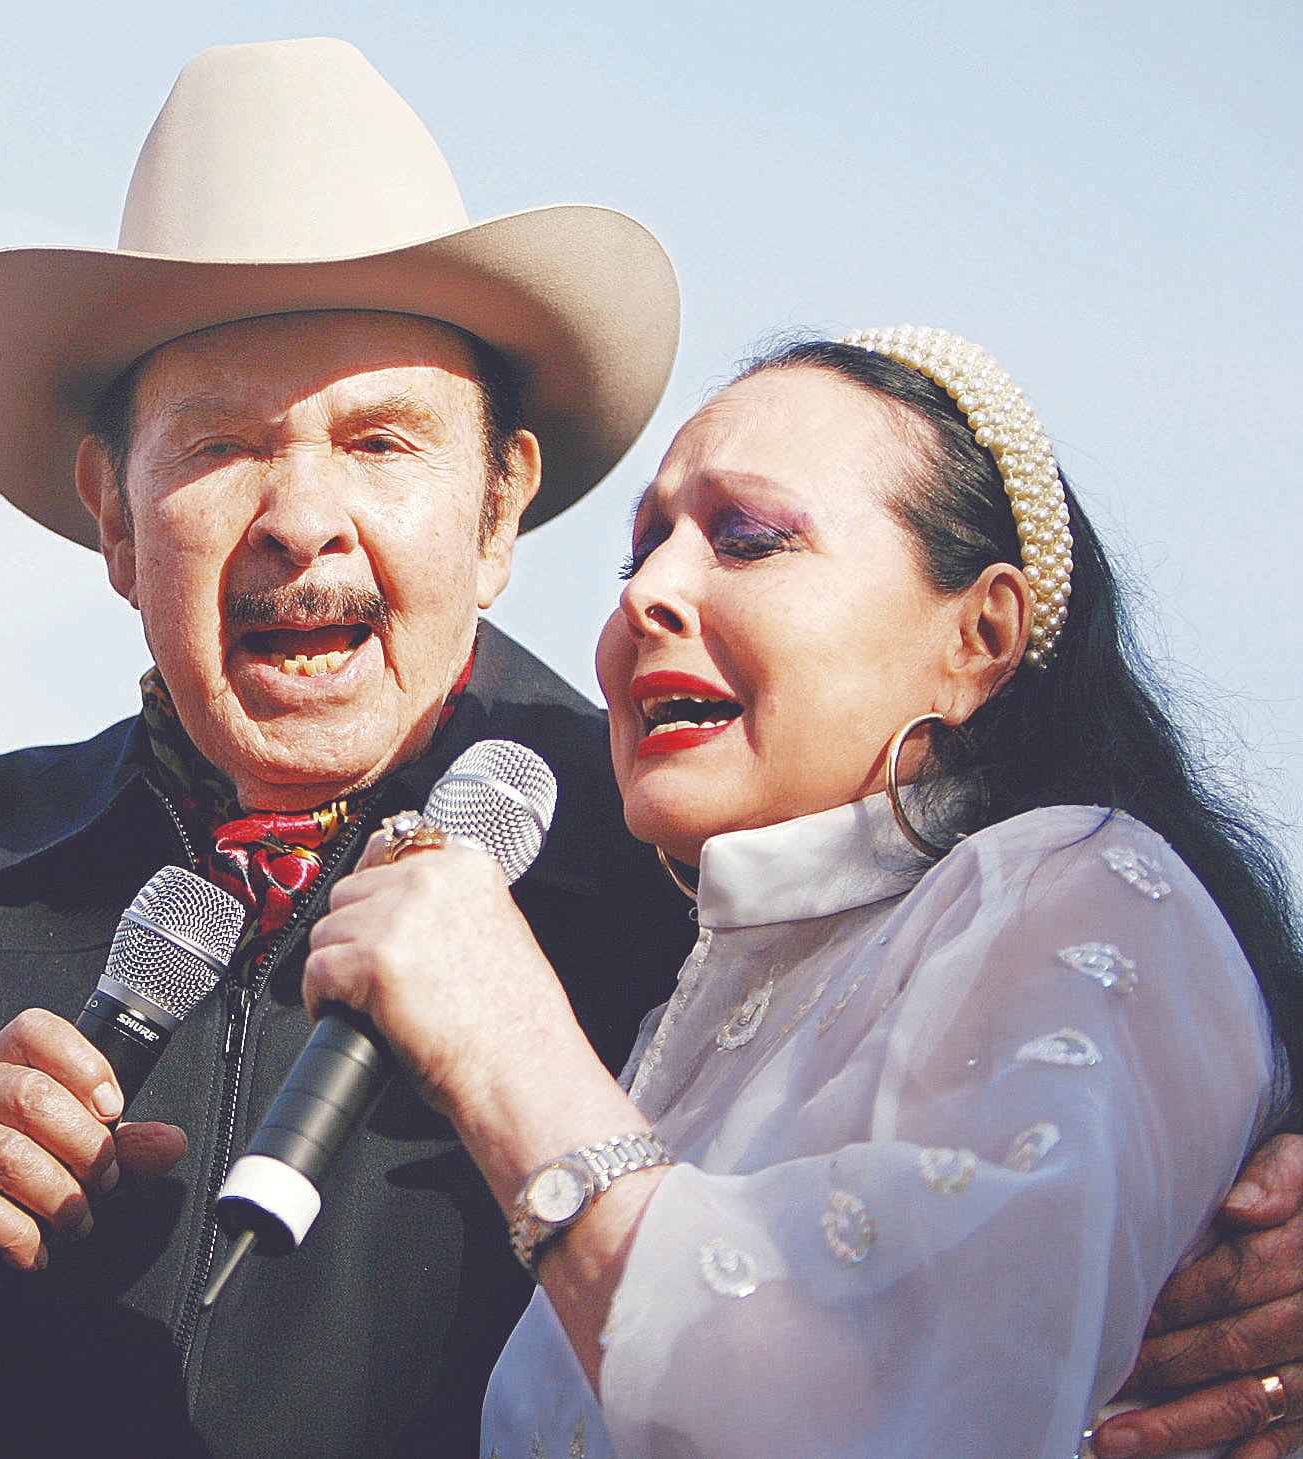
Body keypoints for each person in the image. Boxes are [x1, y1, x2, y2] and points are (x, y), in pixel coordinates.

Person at [0, 40, 1303, 1459]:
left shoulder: (701, 877)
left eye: (381, 439)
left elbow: (1065, 1114)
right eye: (223, 444)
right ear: (111, 510)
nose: (303, 519)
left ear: (501, 503)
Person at [299, 327, 1303, 1456]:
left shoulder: (1075, 884)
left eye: (751, 538)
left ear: (980, 635)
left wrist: (500, 1049)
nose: (653, 595)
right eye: (642, 554)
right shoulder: (692, 990)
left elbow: (877, 1412)